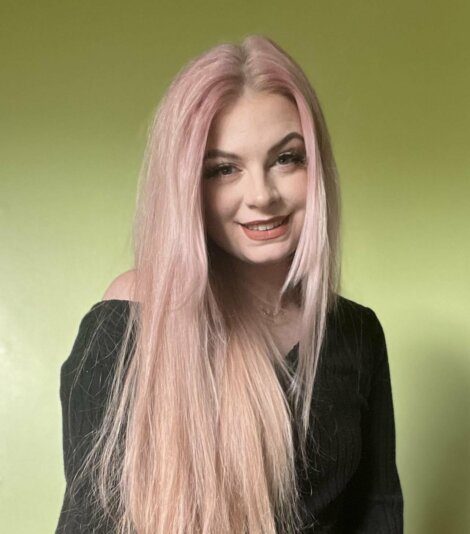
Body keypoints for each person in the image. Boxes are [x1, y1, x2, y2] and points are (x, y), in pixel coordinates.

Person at [55, 35, 404, 533]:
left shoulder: (357, 332)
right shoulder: (131, 322)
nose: (260, 195)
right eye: (223, 169)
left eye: (286, 159)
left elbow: (379, 509)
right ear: (185, 188)